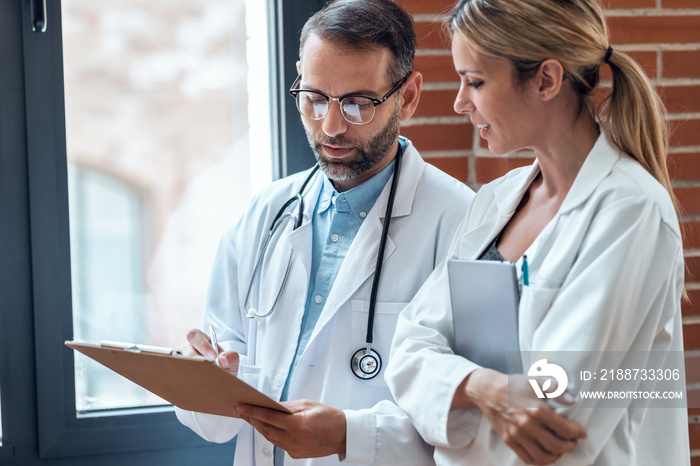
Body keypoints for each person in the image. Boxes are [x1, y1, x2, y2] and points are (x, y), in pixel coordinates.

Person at [385, 0, 690, 465]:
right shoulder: (495, 200)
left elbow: (552, 422)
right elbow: (408, 347)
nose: (460, 101)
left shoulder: (630, 211)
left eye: (476, 82)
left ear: (546, 80)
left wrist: (452, 397)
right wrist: (485, 388)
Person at [175, 1, 474, 464]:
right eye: (314, 98)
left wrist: (350, 437)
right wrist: (204, 378)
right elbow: (218, 418)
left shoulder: (462, 225)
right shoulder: (264, 214)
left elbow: (473, 420)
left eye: (358, 103)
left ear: (409, 97)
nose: (331, 127)